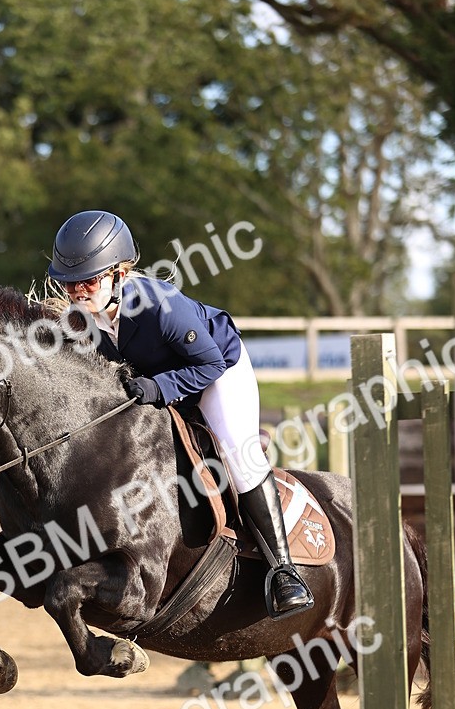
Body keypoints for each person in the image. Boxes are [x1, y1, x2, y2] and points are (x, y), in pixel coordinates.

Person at [47, 209, 314, 619]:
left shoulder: (160, 305)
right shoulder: (82, 319)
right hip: (161, 380)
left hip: (216, 371)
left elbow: (208, 365)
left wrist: (160, 388)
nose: (77, 292)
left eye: (87, 281)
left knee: (239, 457)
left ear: (118, 274)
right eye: (68, 284)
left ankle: (284, 573)